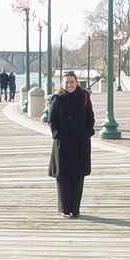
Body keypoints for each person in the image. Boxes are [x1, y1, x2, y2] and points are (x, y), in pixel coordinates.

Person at [48, 71, 95, 218]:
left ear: (77, 83)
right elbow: (52, 120)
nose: (69, 85)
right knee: (62, 176)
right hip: (63, 143)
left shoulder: (84, 97)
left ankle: (75, 209)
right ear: (62, 84)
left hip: (80, 142)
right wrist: (57, 135)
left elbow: (90, 116)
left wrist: (87, 133)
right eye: (67, 82)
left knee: (78, 175)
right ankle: (64, 208)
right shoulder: (57, 99)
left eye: (72, 82)